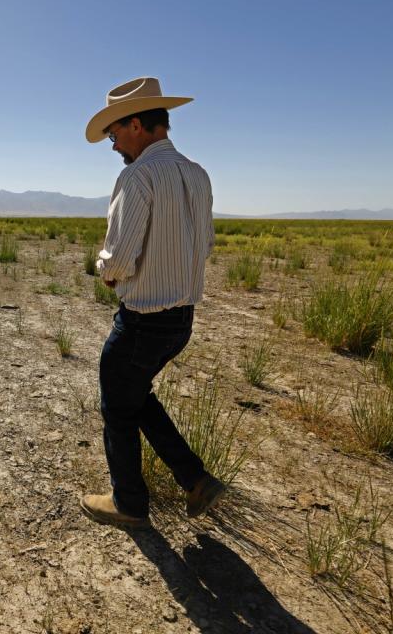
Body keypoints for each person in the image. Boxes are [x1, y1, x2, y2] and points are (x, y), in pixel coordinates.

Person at [79, 77, 225, 528]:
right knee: (134, 396)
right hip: (181, 320)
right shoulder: (197, 174)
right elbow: (205, 244)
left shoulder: (137, 175)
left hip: (142, 321)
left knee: (117, 406)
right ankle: (195, 479)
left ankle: (129, 503)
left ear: (137, 124)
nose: (112, 145)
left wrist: (107, 272)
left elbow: (119, 257)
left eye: (114, 133)